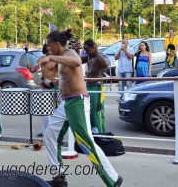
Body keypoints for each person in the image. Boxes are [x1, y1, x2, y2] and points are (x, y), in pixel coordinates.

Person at [39, 30, 122, 187]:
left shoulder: (70, 53)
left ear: (57, 45)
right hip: (66, 103)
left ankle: (113, 179)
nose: (48, 49)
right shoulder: (61, 60)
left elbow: (77, 62)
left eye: (50, 47)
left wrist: (49, 57)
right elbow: (59, 79)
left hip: (78, 101)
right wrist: (46, 78)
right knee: (50, 135)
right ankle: (58, 177)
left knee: (85, 141)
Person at [27, 43, 58, 137]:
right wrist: (30, 68)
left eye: (50, 47)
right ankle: (45, 131)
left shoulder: (56, 59)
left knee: (55, 111)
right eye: (47, 48)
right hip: (44, 86)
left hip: (54, 86)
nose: (49, 49)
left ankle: (52, 132)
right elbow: (34, 70)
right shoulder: (40, 59)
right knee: (43, 111)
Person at [82, 39, 110, 133]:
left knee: (96, 111)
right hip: (88, 86)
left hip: (97, 87)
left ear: (94, 47)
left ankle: (100, 134)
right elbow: (77, 60)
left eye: (88, 50)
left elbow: (105, 64)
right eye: (85, 51)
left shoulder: (101, 56)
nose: (87, 53)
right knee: (89, 111)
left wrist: (97, 51)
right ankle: (93, 132)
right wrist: (75, 50)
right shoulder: (88, 57)